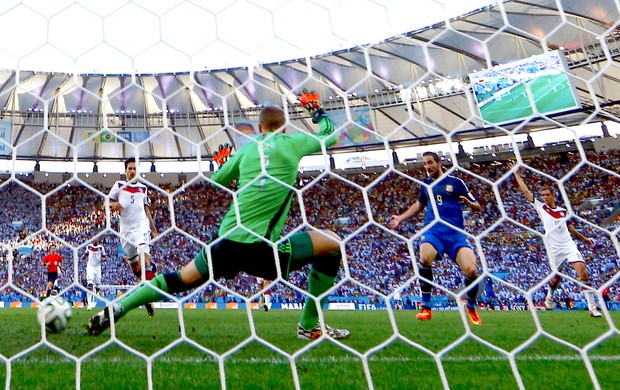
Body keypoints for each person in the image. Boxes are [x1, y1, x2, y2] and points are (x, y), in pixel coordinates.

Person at [88, 92, 351, 340]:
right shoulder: (292, 142)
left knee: (181, 279)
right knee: (333, 244)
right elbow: (331, 135)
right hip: (262, 248)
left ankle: (119, 307)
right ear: (283, 128)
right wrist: (317, 112)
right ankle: (308, 325)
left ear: (260, 129)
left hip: (223, 242)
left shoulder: (246, 150)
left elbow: (218, 179)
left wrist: (225, 162)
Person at [388, 151, 483, 325]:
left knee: (472, 271)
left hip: (456, 234)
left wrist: (469, 204)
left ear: (439, 163)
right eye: (425, 164)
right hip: (434, 231)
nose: (427, 166)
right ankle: (426, 307)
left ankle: (470, 306)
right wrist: (400, 218)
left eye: (430, 162)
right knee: (424, 256)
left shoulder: (456, 183)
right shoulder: (426, 184)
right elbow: (419, 205)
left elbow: (478, 205)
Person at [509, 162, 602, 317]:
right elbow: (526, 192)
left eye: (547, 195)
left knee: (583, 272)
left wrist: (584, 239)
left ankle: (592, 307)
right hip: (553, 248)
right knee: (557, 277)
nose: (544, 197)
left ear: (553, 196)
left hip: (568, 245)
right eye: (543, 195)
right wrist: (515, 173)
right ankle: (550, 296)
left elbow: (570, 228)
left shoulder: (563, 211)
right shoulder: (540, 207)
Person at [108, 157, 159, 316]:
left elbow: (146, 208)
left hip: (141, 227)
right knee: (136, 269)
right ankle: (146, 292)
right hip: (126, 231)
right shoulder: (118, 186)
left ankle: (149, 294)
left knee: (145, 258)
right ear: (125, 171)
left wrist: (153, 228)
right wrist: (113, 205)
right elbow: (106, 203)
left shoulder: (143, 188)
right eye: (129, 168)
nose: (132, 171)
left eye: (134, 169)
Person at [82, 239, 107, 310]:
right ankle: (89, 305)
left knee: (98, 284)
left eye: (96, 240)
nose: (95, 241)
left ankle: (97, 290)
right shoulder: (89, 247)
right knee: (89, 285)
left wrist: (103, 259)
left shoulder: (101, 248)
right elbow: (86, 254)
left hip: (97, 267)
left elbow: (105, 257)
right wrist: (84, 257)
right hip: (90, 267)